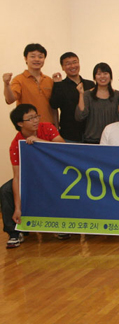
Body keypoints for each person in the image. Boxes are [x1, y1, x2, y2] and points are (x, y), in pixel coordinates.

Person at [2, 104, 65, 248]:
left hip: (52, 174)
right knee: (5, 190)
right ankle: (14, 232)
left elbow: (62, 146)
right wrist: (17, 208)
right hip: (30, 177)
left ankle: (61, 225)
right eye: (30, 118)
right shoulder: (16, 144)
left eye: (36, 116)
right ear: (20, 123)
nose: (36, 120)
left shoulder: (47, 128)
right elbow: (17, 177)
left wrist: (41, 142)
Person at [3, 43, 56, 125]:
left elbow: (54, 107)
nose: (37, 59)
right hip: (29, 127)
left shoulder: (49, 80)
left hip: (48, 126)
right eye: (32, 56)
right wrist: (6, 84)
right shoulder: (19, 79)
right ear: (25, 58)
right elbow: (10, 100)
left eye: (40, 57)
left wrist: (56, 126)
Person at [49, 52, 95, 143]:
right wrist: (57, 84)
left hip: (90, 134)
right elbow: (54, 105)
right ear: (62, 67)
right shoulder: (60, 85)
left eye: (75, 62)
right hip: (69, 135)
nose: (72, 66)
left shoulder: (90, 84)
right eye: (68, 63)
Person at [75, 63, 119, 144]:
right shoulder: (87, 94)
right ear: (94, 77)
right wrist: (81, 94)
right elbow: (80, 116)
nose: (102, 76)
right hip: (92, 140)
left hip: (112, 140)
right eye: (99, 74)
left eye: (105, 73)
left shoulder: (117, 95)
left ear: (110, 76)